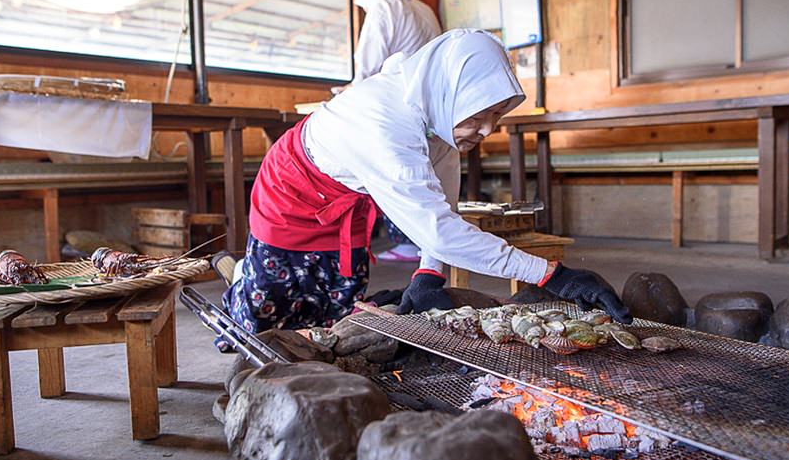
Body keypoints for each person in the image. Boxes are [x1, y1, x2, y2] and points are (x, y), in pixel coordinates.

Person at [217, 29, 630, 345]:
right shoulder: (384, 123)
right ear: (451, 93)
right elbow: (439, 233)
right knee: (273, 298)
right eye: (480, 115)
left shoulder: (440, 111)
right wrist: (552, 275)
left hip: (348, 196)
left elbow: (441, 210)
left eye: (497, 115)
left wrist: (428, 274)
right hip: (293, 189)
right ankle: (238, 284)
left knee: (336, 299)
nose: (488, 130)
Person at [349, 0, 442, 262]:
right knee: (428, 169)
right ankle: (430, 241)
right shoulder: (423, 8)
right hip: (433, 103)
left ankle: (403, 240)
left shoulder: (384, 8)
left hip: (397, 103)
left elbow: (367, 67)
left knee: (391, 166)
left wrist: (350, 91)